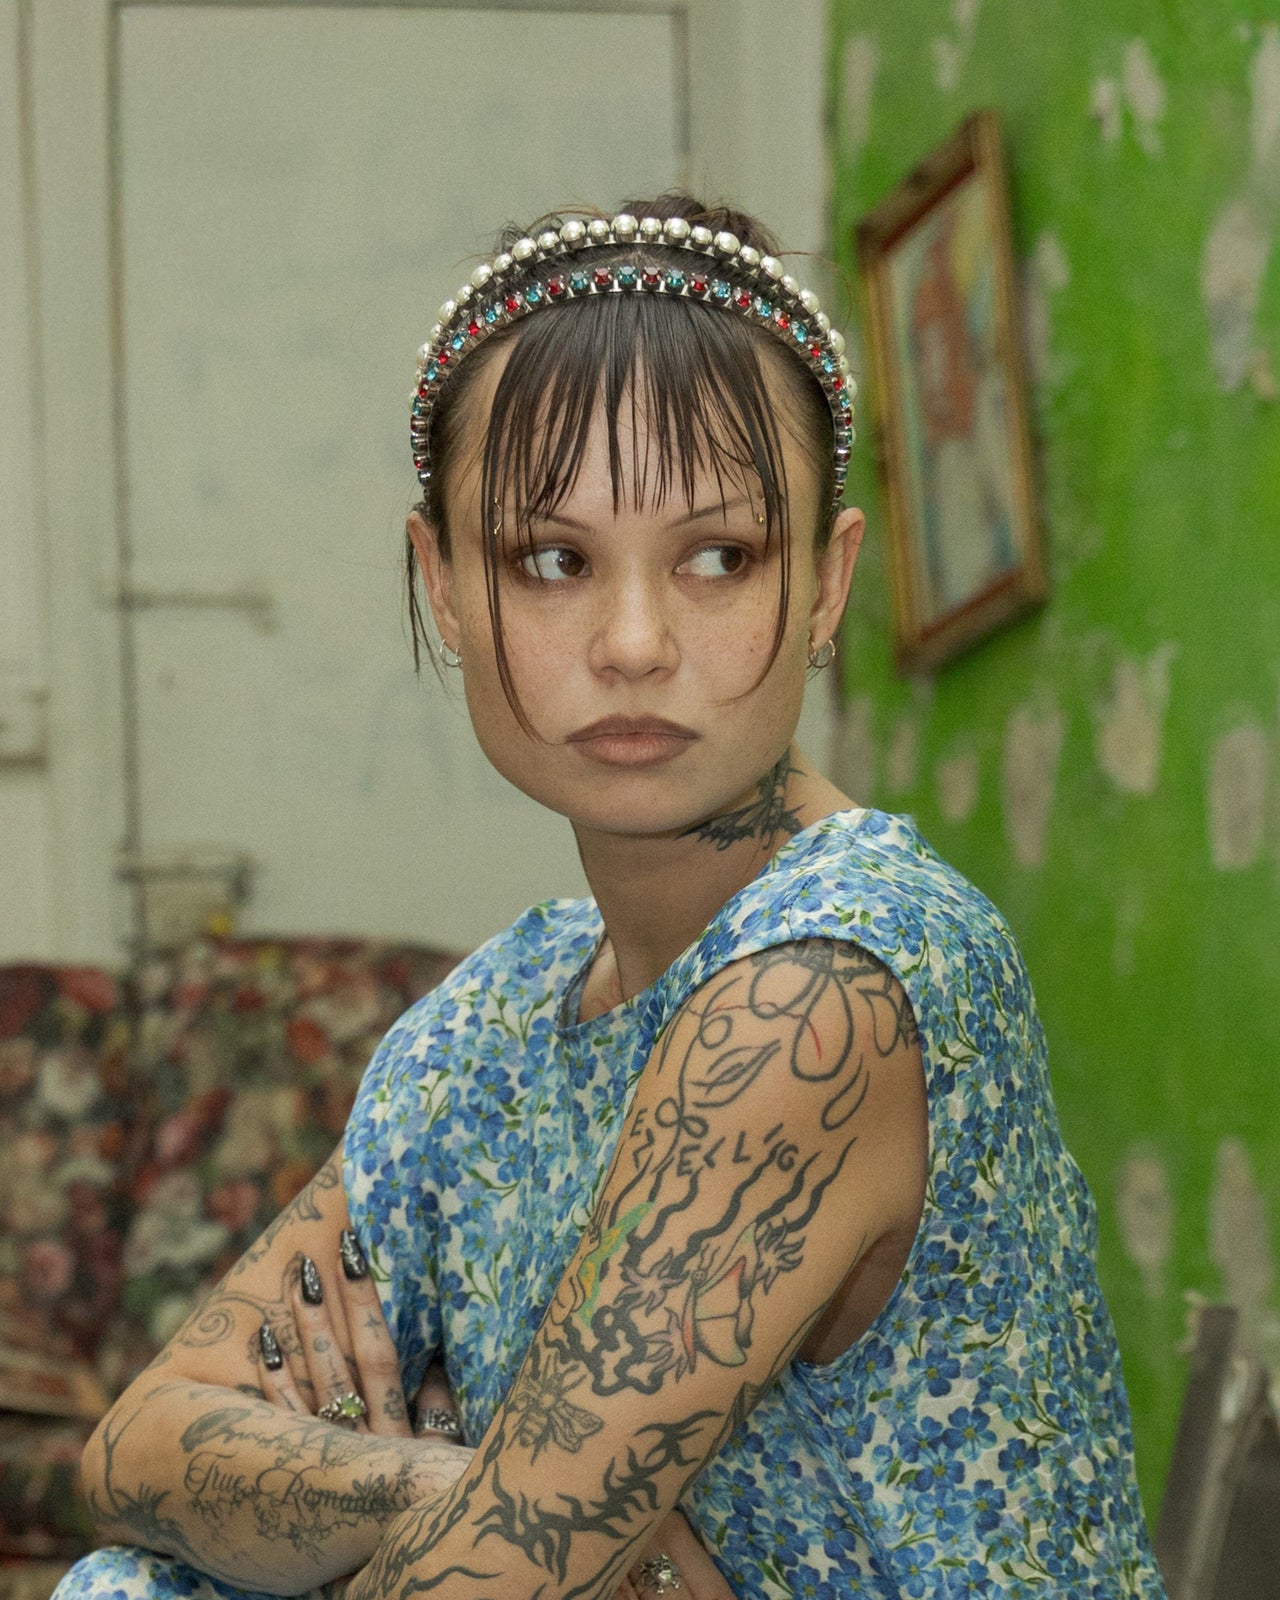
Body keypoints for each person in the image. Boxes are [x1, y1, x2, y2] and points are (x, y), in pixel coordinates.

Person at [58, 194, 1166, 1600]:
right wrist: (436, 1484)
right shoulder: (494, 1024)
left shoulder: (829, 985)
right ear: (442, 585)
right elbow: (134, 1449)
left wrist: (401, 1529)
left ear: (828, 584)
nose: (634, 643)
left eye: (719, 558)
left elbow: (482, 1588)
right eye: (552, 560)